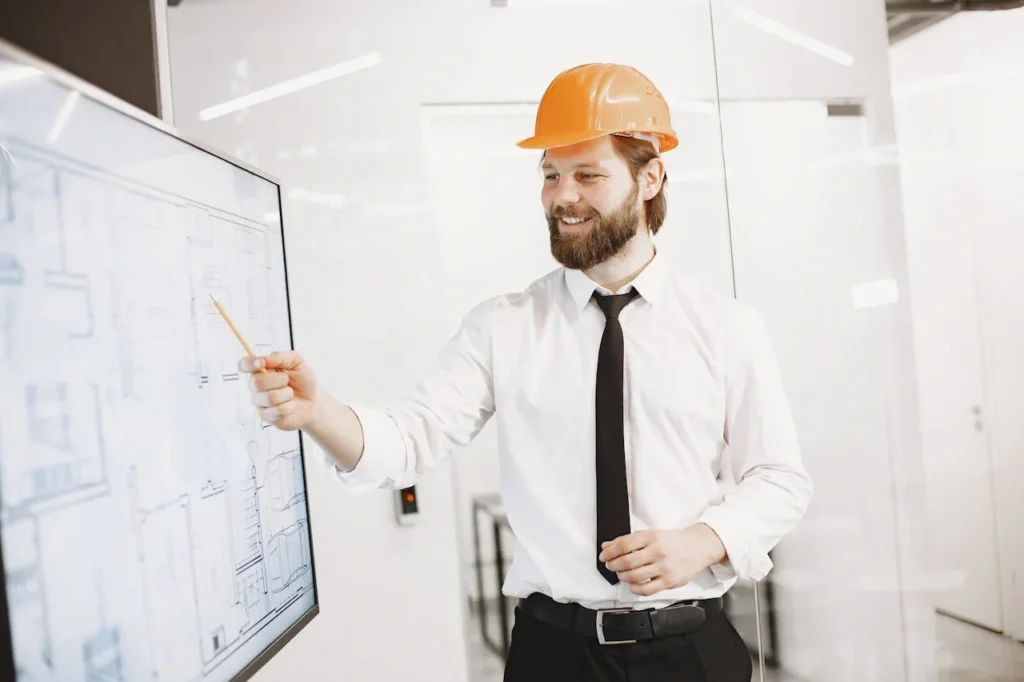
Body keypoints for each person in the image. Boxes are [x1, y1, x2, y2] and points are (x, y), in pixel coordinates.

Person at [240, 63, 812, 682]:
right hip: (552, 657)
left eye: (587, 174)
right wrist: (315, 411)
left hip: (689, 652)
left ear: (651, 177)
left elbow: (779, 479)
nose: (562, 196)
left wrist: (707, 539)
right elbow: (406, 443)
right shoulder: (502, 327)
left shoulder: (726, 327)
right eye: (550, 175)